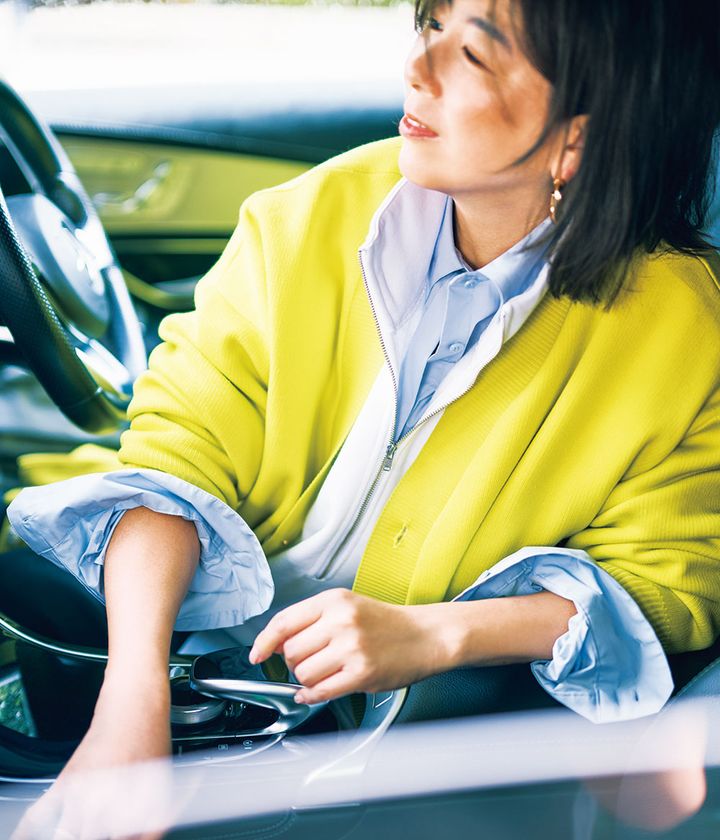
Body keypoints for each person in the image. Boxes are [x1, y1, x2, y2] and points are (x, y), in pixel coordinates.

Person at [6, 0, 720, 826]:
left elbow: (668, 580)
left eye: (474, 56)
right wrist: (132, 703)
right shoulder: (304, 216)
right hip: (185, 658)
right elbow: (176, 453)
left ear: (577, 138)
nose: (416, 69)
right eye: (429, 25)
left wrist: (435, 634)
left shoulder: (687, 333)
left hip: (406, 751)